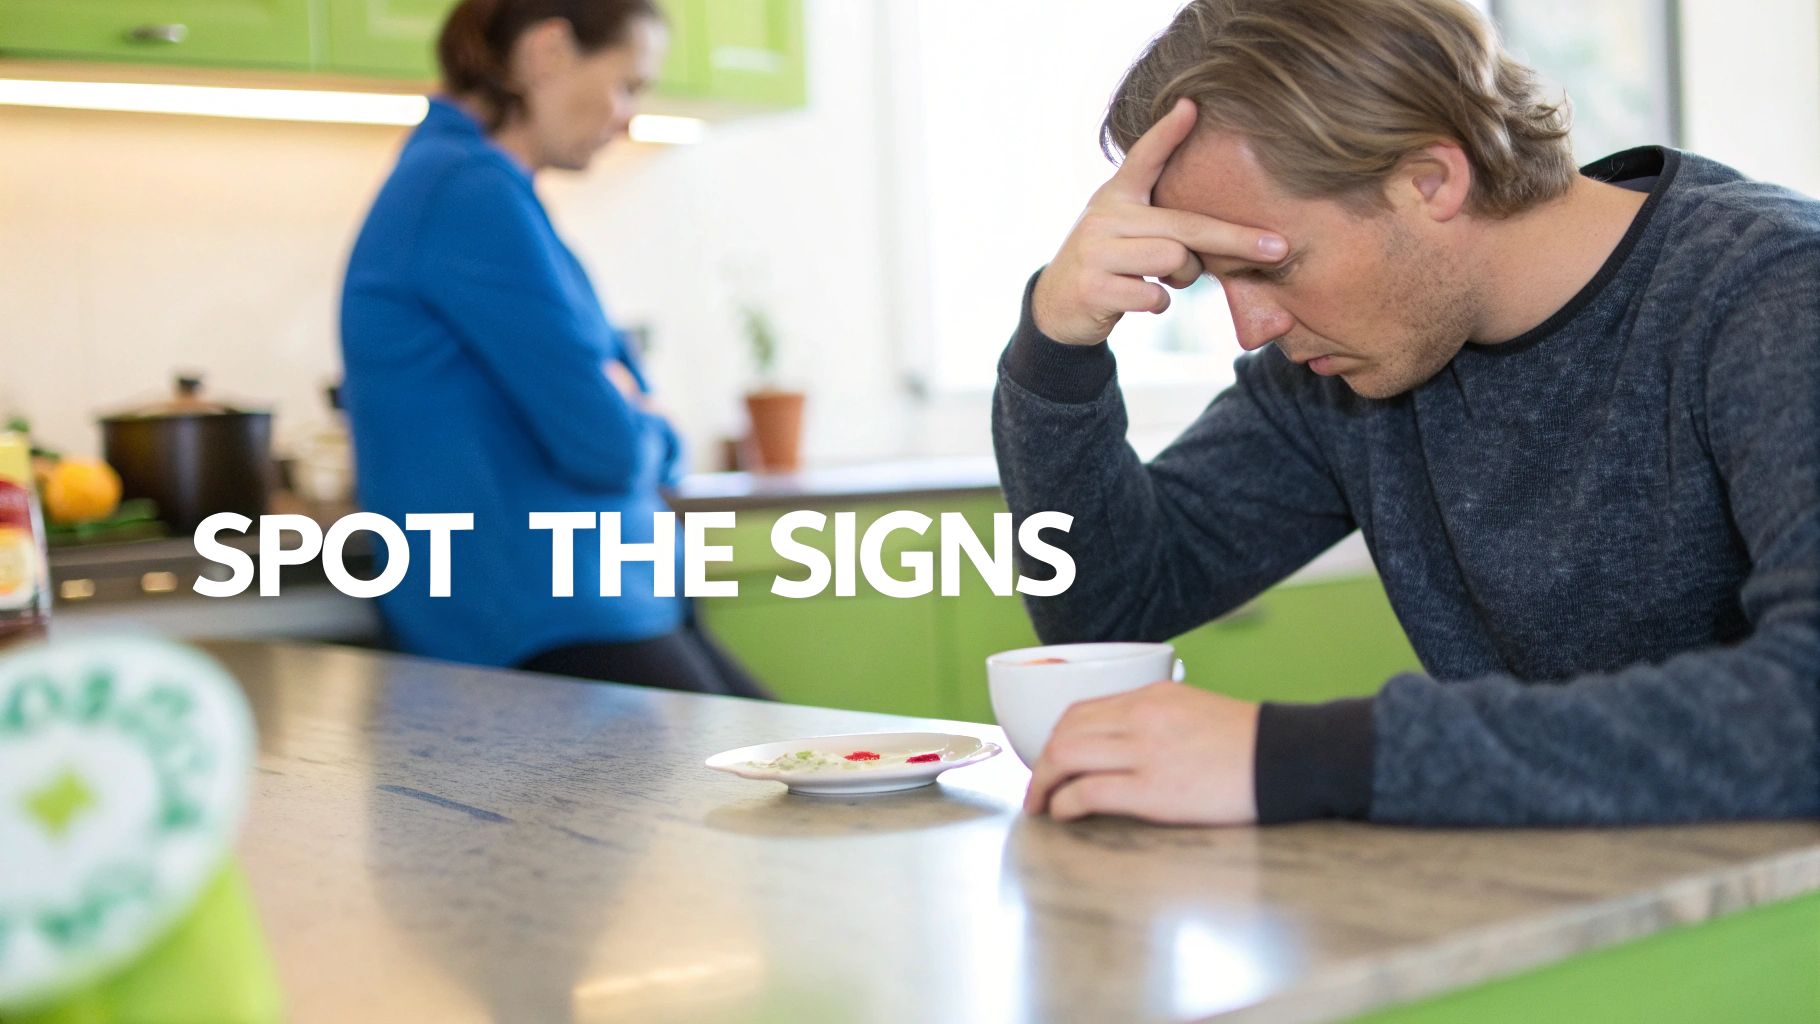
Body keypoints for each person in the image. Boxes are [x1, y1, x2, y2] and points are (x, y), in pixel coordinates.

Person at [994, 0, 1820, 826]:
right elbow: (1105, 610)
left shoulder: (1777, 298)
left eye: (1273, 267)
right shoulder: (1342, 366)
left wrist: (1294, 757)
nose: (1253, 330)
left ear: (1429, 181)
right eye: (1215, 278)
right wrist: (1057, 347)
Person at [339, 0, 768, 698]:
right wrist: (650, 424)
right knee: (800, 786)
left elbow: (608, 397)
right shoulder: (468, 191)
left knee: (802, 766)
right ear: (548, 52)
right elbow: (606, 445)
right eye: (627, 83)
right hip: (550, 619)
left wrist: (628, 407)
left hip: (588, 604)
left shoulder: (475, 186)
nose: (629, 116)